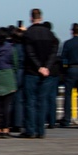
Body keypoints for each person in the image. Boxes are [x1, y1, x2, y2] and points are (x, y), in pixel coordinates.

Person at [21, 9, 58, 139]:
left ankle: (30, 130)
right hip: (47, 72)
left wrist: (39, 67)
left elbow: (29, 53)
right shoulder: (50, 34)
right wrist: (46, 67)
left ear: (31, 18)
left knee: (30, 101)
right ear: (41, 17)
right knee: (42, 101)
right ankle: (40, 130)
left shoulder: (28, 33)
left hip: (32, 71)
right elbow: (54, 51)